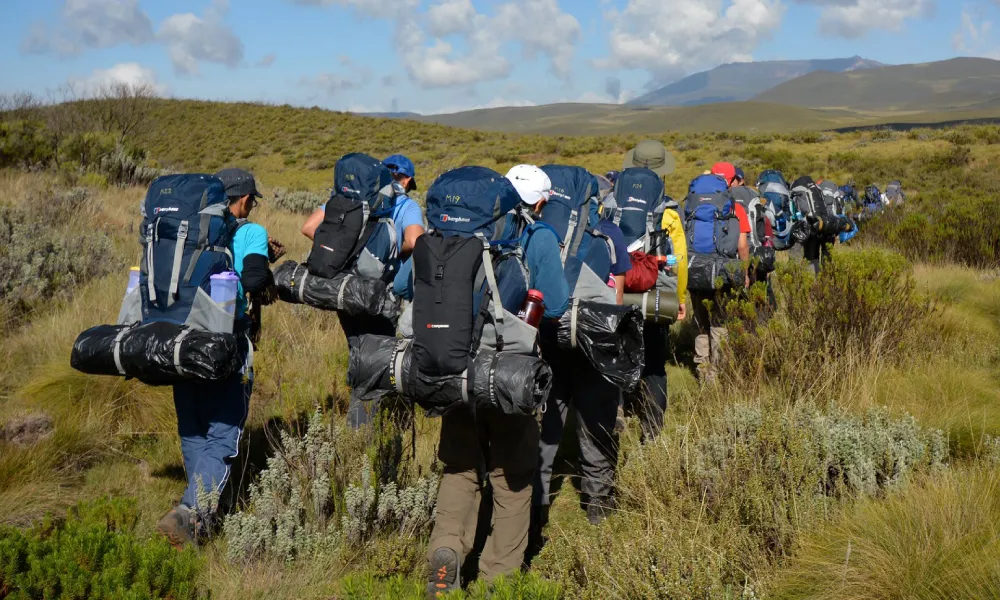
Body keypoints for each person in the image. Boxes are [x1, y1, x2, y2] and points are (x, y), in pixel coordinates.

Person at [426, 165, 569, 597]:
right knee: (514, 478)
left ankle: (447, 553)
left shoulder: (446, 239)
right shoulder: (535, 236)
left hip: (451, 371)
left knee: (460, 469)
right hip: (508, 375)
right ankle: (497, 581)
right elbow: (557, 303)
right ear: (538, 201)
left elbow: (403, 285)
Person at [157, 168, 279, 547]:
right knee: (223, 433)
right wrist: (267, 269)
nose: (253, 206)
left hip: (178, 339)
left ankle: (201, 516)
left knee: (194, 426)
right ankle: (191, 512)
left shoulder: (184, 230)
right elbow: (255, 280)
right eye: (252, 200)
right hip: (225, 342)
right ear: (242, 199)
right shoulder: (249, 231)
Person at [301, 154, 425, 428]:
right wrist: (392, 255)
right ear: (407, 179)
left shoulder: (351, 199)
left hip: (344, 290)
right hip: (381, 295)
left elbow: (309, 227)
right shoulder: (407, 205)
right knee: (376, 358)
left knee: (357, 346)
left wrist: (345, 256)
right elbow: (415, 241)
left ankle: (357, 413)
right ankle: (359, 430)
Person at [617, 141, 686, 441]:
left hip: (617, 293)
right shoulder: (668, 212)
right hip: (654, 297)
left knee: (616, 355)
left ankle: (614, 413)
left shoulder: (610, 202)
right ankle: (652, 431)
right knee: (656, 363)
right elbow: (679, 260)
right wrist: (679, 299)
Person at [688, 162, 751, 382]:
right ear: (731, 181)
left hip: (694, 270)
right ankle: (718, 372)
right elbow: (742, 246)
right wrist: (744, 273)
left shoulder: (691, 205)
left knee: (700, 322)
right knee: (719, 322)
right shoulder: (735, 208)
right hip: (721, 272)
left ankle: (702, 370)